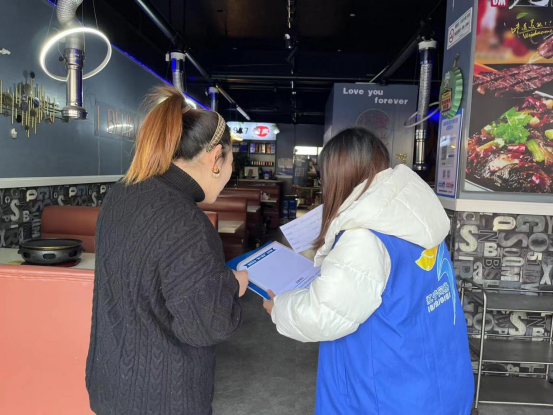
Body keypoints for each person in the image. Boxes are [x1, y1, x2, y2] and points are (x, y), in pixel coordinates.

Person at [263, 127, 474, 415]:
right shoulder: (416, 213)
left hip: (389, 391)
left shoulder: (363, 237)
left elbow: (322, 315)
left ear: (337, 177)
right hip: (438, 375)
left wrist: (279, 307)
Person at [86, 86, 249, 415]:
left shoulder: (121, 194)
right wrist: (233, 285)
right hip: (163, 397)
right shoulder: (187, 222)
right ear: (215, 158)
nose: (230, 174)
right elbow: (207, 326)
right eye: (232, 162)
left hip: (108, 381)